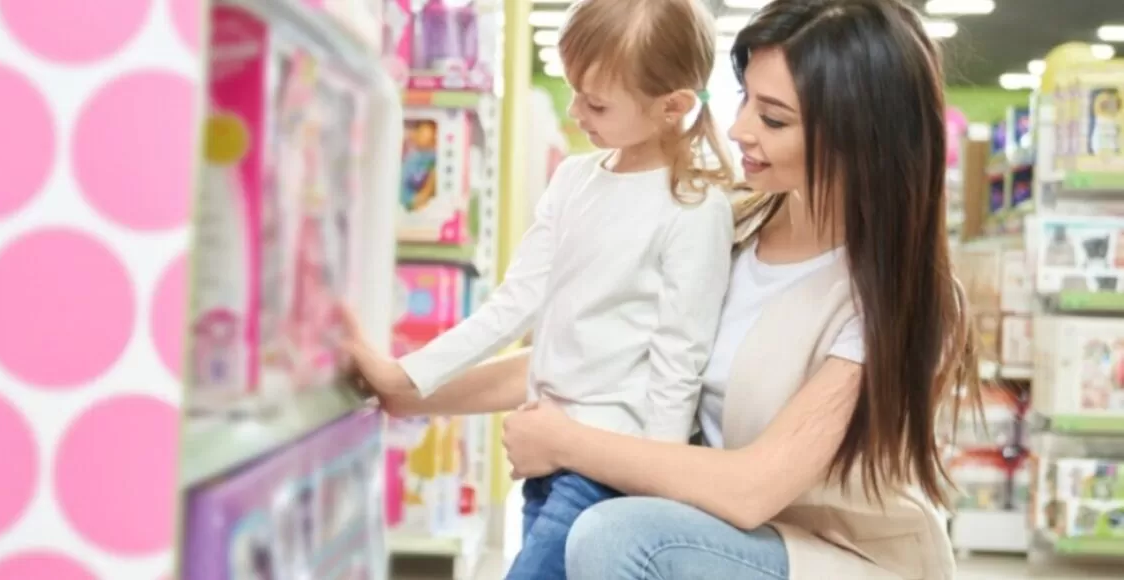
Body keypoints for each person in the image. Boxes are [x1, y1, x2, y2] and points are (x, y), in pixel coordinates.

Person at [347, 0, 983, 578]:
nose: (737, 131)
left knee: (613, 535)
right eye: (744, 101)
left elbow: (751, 489)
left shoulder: (893, 300)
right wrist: (410, 392)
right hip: (716, 528)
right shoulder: (723, 224)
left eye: (773, 118)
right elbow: (600, 354)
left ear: (861, 140)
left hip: (836, 556)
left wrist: (566, 442)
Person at [343, 0, 737, 578]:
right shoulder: (575, 179)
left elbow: (679, 362)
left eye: (596, 102)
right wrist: (408, 377)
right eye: (573, 89)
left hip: (609, 472)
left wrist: (656, 493)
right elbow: (512, 304)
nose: (576, 111)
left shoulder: (694, 208)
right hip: (545, 462)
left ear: (672, 107)